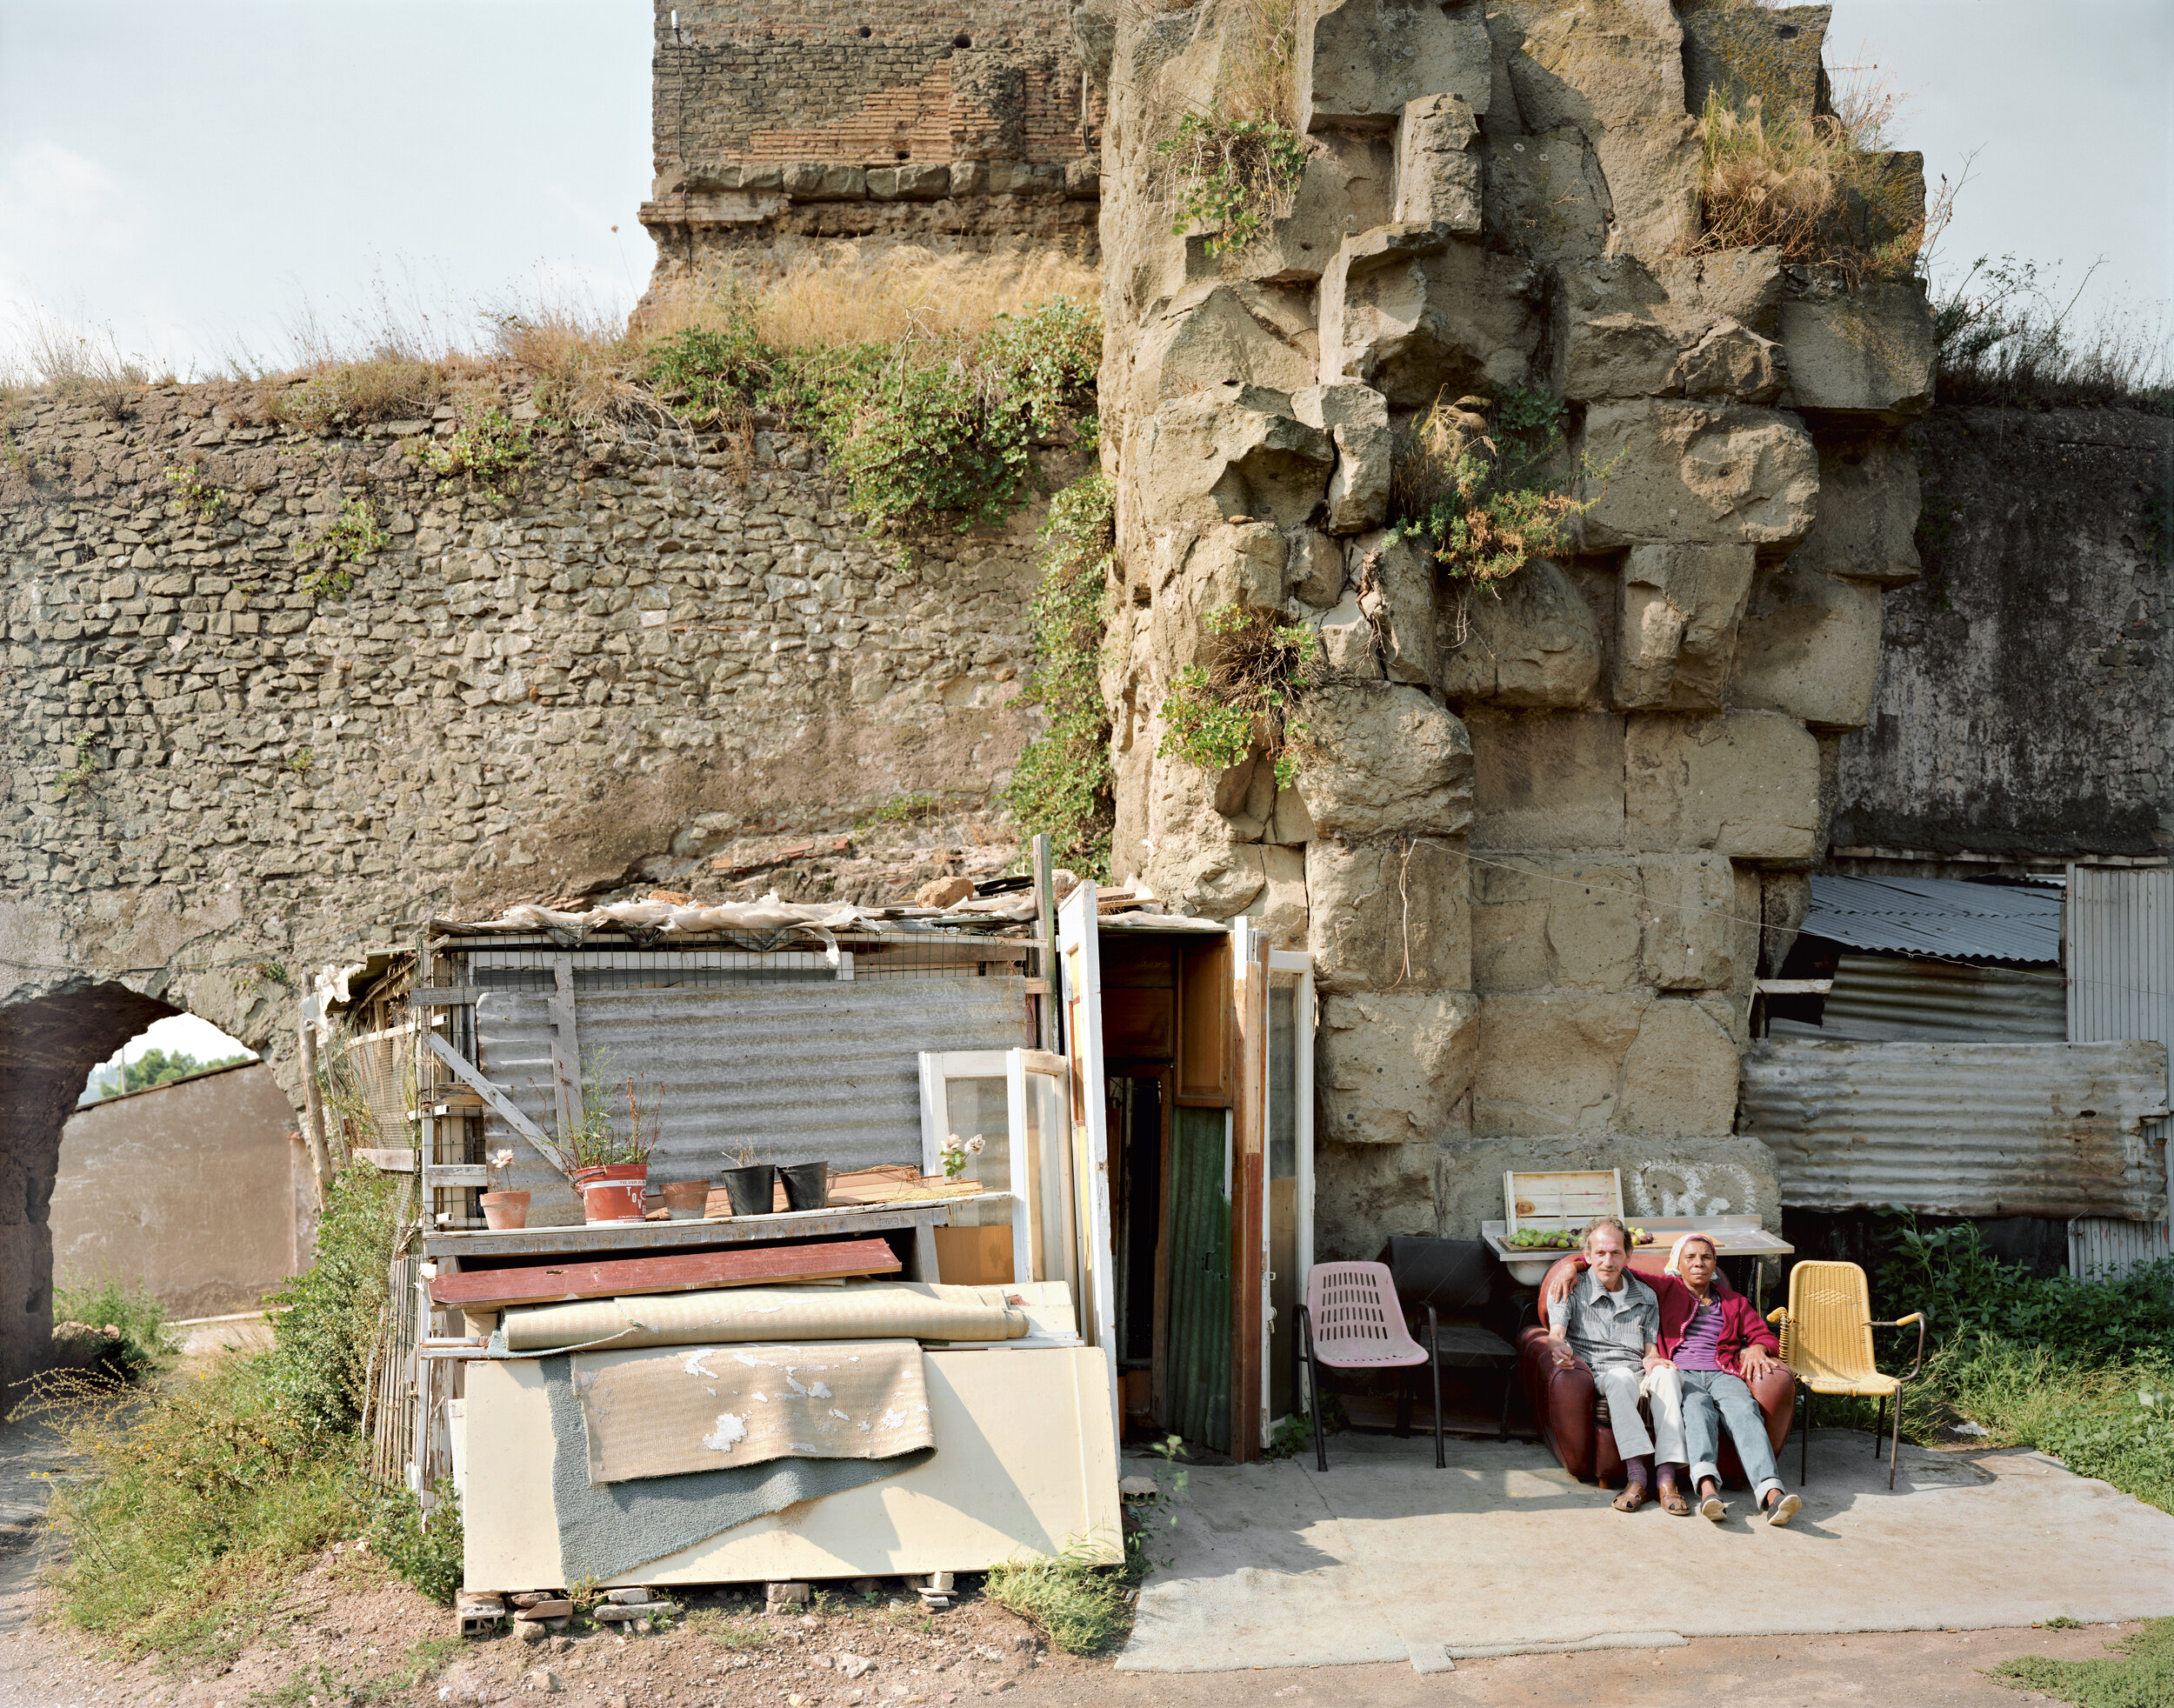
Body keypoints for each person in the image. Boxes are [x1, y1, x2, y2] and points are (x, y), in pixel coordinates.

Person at [1547, 1232, 1802, 1527]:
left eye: (1706, 1258)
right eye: (1690, 1258)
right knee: (1696, 1411)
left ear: (1715, 1265)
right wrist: (1573, 1264)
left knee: (1745, 1410)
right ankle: (1707, 1491)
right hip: (1685, 1373)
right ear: (1676, 1265)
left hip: (1723, 1372)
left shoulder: (1734, 1301)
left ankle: (1772, 1493)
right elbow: (1615, 1265)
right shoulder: (1666, 1288)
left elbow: (1763, 1335)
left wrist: (1756, 1347)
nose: (1698, 1264)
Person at [1543, 1217, 1689, 1513]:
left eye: (1615, 1253)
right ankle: (1637, 1476)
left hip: (1638, 1372)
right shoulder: (1569, 1287)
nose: (1607, 1260)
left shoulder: (1646, 1296)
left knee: (1668, 1376)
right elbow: (1555, 1335)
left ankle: (1666, 1478)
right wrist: (1559, 1349)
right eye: (1600, 1253)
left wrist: (1657, 1363)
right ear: (1587, 1256)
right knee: (1620, 1376)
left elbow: (1650, 1351)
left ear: (1628, 1255)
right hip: (1601, 1373)